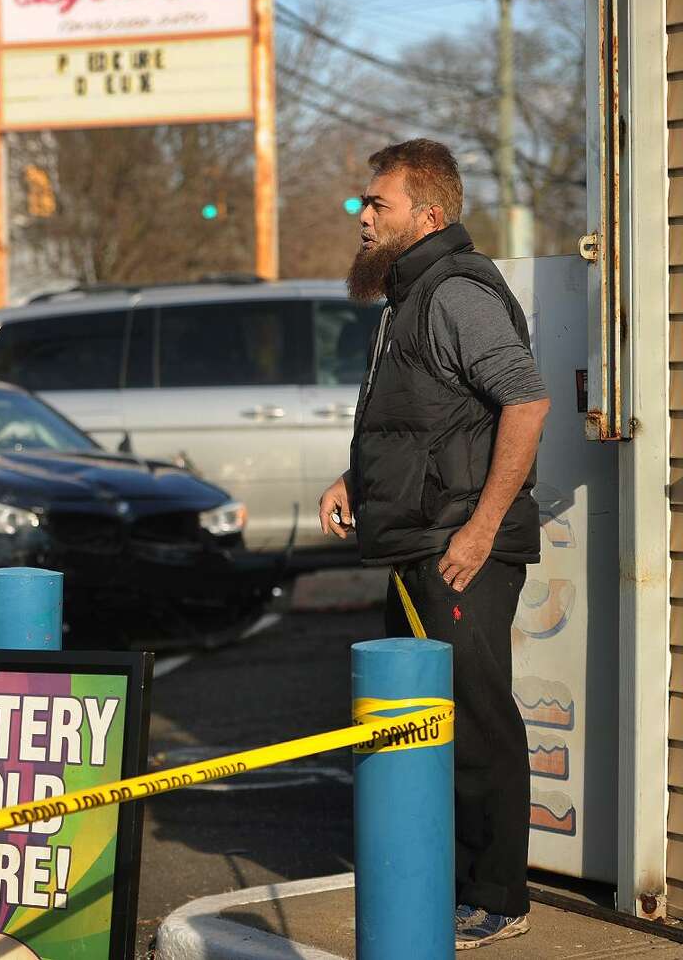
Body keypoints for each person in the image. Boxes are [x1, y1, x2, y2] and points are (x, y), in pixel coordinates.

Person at [317, 140, 550, 951]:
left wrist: (481, 529)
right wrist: (352, 479)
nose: (362, 216)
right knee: (421, 719)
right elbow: (415, 420)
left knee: (478, 718)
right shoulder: (405, 298)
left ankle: (499, 896)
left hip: (460, 549)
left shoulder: (455, 292)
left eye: (376, 204)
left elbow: (526, 401)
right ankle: (447, 881)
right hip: (417, 541)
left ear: (428, 214)